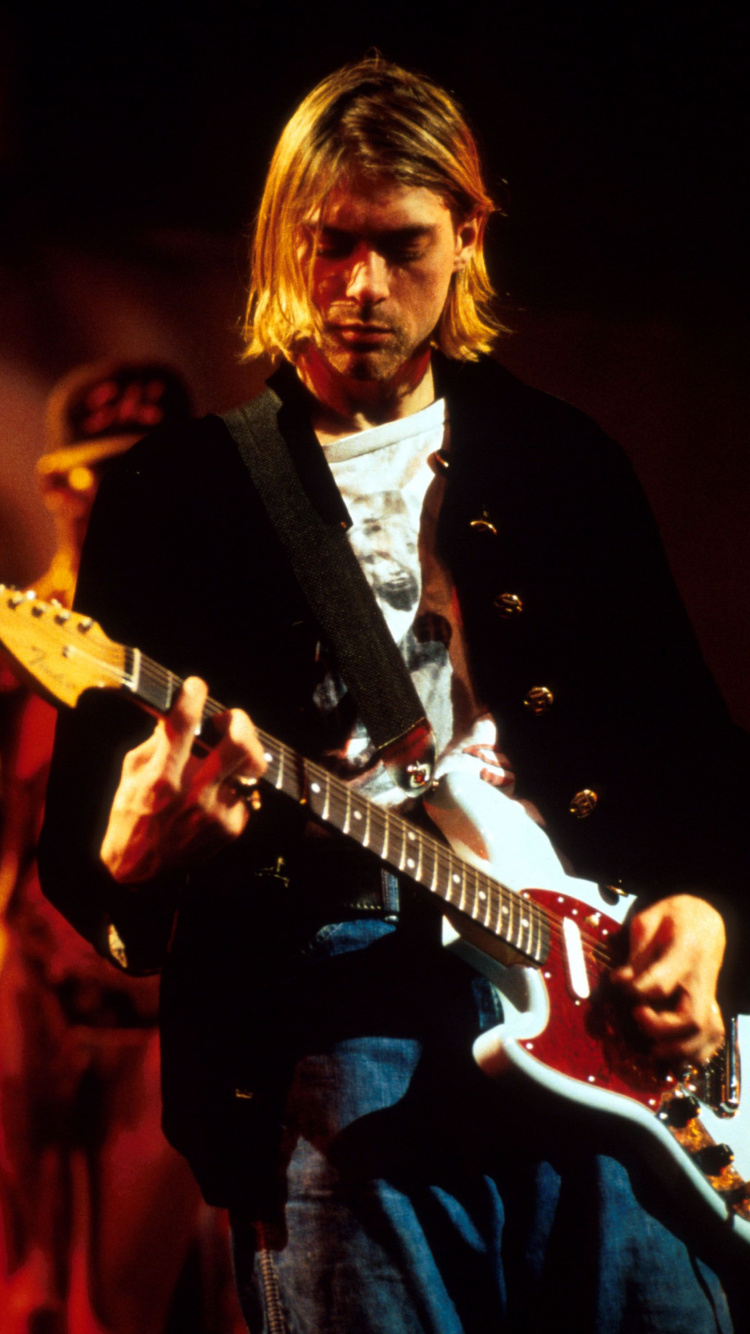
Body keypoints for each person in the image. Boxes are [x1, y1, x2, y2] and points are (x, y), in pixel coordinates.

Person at [37, 56, 749, 1333]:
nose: (361, 286)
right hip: (332, 1026)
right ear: (282, 242)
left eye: (402, 245)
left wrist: (704, 917)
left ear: (467, 235)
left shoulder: (565, 464)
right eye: (331, 244)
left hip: (597, 1019)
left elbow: (698, 768)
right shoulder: (173, 496)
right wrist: (134, 857)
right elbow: (84, 855)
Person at [0, 361, 243, 1334]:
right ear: (61, 485)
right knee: (23, 1291)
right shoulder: (19, 639)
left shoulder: (221, 650)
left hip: (154, 1016)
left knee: (132, 1299)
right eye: (108, 476)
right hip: (32, 1000)